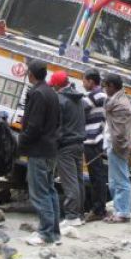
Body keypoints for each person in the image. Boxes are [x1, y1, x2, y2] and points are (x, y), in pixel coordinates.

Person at [19, 59, 61, 246]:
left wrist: (21, 140)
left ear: (32, 74)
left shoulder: (37, 94)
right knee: (49, 189)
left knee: (39, 192)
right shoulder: (51, 92)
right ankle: (54, 231)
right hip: (51, 148)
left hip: (39, 150)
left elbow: (34, 125)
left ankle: (45, 234)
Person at [48, 70, 86, 228]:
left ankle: (71, 216)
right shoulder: (78, 98)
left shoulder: (60, 100)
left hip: (66, 146)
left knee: (69, 181)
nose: (53, 88)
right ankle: (80, 214)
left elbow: (57, 125)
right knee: (78, 180)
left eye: (53, 86)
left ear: (57, 85)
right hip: (78, 144)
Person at [103, 73, 131, 224]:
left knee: (121, 180)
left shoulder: (121, 104)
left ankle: (123, 213)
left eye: (105, 86)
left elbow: (120, 132)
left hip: (118, 147)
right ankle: (118, 210)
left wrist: (117, 146)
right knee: (115, 180)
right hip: (115, 146)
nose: (104, 89)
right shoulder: (120, 100)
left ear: (112, 86)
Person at [81, 68, 108, 222]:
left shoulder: (95, 96)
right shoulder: (102, 95)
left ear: (91, 81)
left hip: (93, 140)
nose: (83, 83)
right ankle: (98, 208)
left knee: (96, 176)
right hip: (96, 140)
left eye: (84, 80)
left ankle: (98, 210)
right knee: (97, 176)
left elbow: (79, 110)